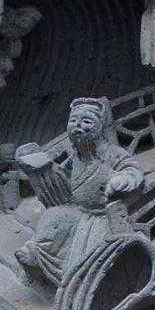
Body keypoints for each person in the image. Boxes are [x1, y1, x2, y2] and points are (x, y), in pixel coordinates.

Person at [15, 97, 144, 287]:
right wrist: (42, 169)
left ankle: (75, 277)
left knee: (92, 249)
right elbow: (63, 177)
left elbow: (131, 169)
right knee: (54, 217)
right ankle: (38, 254)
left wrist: (122, 180)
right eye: (73, 121)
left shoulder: (111, 152)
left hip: (103, 215)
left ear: (98, 127)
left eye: (86, 121)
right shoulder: (77, 156)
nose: (78, 126)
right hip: (79, 210)